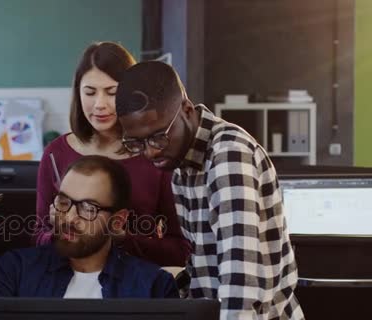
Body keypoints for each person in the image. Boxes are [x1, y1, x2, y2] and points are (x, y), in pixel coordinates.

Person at [115, 61, 304, 319]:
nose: (150, 151)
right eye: (136, 142)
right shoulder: (183, 167)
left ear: (186, 109)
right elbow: (203, 266)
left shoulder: (228, 155)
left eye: (159, 136)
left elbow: (241, 282)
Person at [34, 42, 190, 267]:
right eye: (89, 92)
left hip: (136, 288)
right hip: (68, 286)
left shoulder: (156, 153)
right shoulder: (55, 153)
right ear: (78, 93)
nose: (100, 104)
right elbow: (37, 237)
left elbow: (180, 249)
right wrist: (59, 235)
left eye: (112, 92)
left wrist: (121, 238)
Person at [0, 155, 178, 298]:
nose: (69, 218)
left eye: (88, 208)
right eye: (63, 202)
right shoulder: (14, 271)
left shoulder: (154, 286)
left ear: (117, 221)